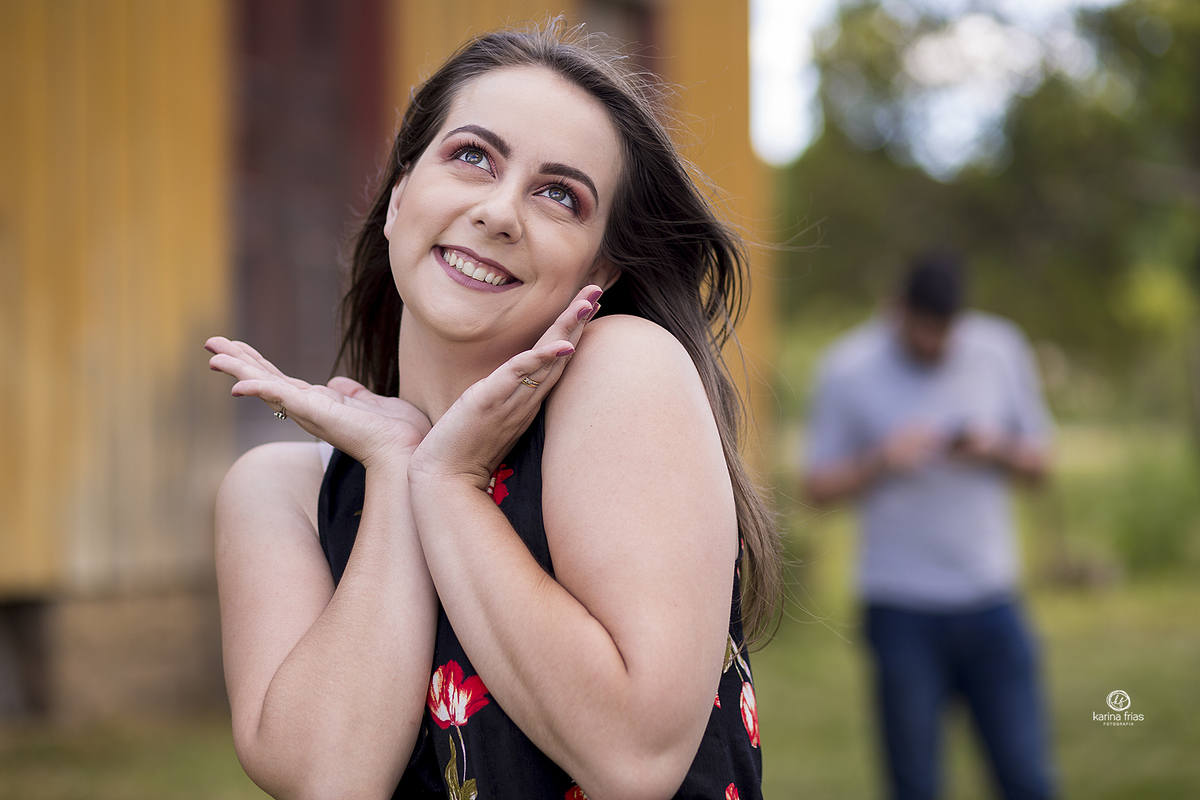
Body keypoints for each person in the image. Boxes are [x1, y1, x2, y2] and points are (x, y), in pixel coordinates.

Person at [206, 22, 781, 800]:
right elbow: (329, 778)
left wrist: (448, 483)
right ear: (399, 197)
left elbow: (633, 759)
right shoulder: (280, 491)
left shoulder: (626, 369)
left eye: (559, 195)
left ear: (601, 268)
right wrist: (397, 466)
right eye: (472, 156)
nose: (501, 211)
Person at [802, 253, 1057, 800]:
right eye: (924, 329)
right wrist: (882, 460)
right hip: (900, 606)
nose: (935, 344)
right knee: (914, 784)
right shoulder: (847, 367)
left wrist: (996, 447)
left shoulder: (1000, 349)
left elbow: (1042, 466)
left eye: (946, 331)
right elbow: (815, 490)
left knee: (1026, 776)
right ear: (897, 308)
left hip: (991, 596)